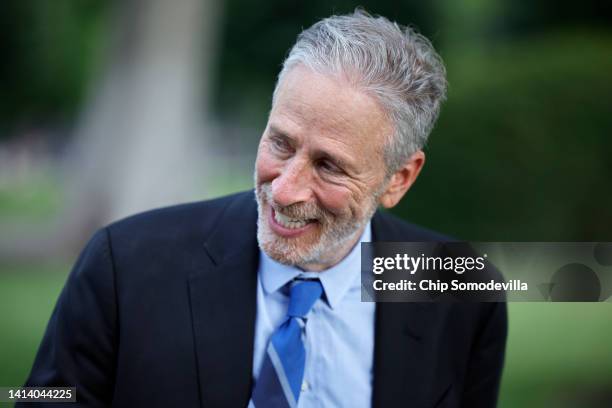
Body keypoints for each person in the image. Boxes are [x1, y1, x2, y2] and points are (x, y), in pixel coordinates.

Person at [21, 10, 507, 408]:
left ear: (398, 179)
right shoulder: (122, 263)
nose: (285, 190)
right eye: (280, 143)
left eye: (328, 166)